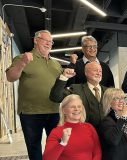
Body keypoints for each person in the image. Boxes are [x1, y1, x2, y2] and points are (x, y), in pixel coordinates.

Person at [6, 30, 62, 160]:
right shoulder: (22, 58)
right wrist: (23, 63)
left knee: (55, 146)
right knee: (34, 148)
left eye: (51, 41)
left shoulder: (56, 64)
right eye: (45, 40)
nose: (49, 44)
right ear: (36, 40)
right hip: (30, 112)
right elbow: (10, 77)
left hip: (54, 110)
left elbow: (60, 86)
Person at [50, 62, 106, 130]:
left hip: (107, 135)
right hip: (83, 132)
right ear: (86, 73)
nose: (98, 73)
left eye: (100, 71)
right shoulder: (76, 89)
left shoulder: (108, 91)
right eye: (95, 70)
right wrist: (64, 77)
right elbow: (56, 97)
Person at [43, 94, 101, 160]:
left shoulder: (89, 127)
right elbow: (47, 158)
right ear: (64, 110)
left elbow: (97, 152)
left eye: (79, 106)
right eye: (72, 107)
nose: (76, 109)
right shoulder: (56, 132)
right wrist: (63, 142)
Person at [99, 88, 127, 160]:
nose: (121, 101)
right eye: (116, 98)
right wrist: (123, 117)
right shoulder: (106, 121)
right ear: (109, 102)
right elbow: (113, 140)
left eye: (123, 98)